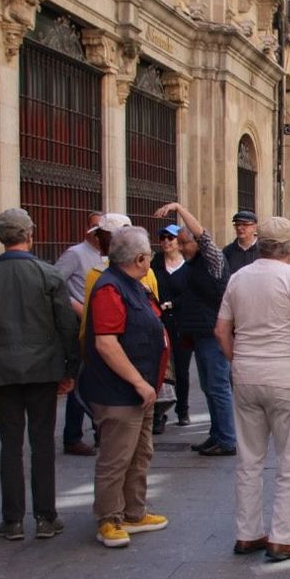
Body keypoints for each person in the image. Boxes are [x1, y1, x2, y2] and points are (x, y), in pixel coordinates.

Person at [0, 208, 80, 541]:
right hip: (43, 369)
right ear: (30, 234)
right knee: (42, 443)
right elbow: (67, 326)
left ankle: (12, 520)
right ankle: (45, 516)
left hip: (3, 370)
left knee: (10, 444)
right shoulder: (48, 275)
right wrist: (71, 368)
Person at [214, 216, 290, 562]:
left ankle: (247, 534)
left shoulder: (238, 277)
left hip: (246, 375)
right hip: (285, 374)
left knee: (249, 459)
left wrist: (239, 360)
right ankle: (281, 536)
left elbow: (220, 331)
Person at [78, 226, 170, 549]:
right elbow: (106, 344)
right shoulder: (110, 289)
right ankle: (108, 518)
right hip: (119, 392)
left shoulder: (133, 285)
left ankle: (134, 511)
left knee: (140, 452)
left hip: (140, 390)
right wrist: (137, 381)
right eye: (150, 256)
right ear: (140, 258)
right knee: (116, 457)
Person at [153, 202, 235, 457]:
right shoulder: (192, 265)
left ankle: (228, 438)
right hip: (200, 333)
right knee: (209, 386)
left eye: (184, 242)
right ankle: (217, 434)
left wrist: (179, 208)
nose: (179, 246)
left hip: (214, 334)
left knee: (218, 385)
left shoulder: (212, 260)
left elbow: (203, 236)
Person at [55, 212, 105, 456]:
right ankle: (72, 437)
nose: (98, 232)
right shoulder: (75, 254)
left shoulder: (108, 255)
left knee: (100, 379)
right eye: (95, 227)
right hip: (80, 325)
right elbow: (54, 283)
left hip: (103, 325)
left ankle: (101, 431)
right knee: (80, 380)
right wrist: (76, 306)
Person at [150, 224, 192, 433]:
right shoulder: (155, 263)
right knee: (161, 366)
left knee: (182, 368)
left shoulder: (188, 266)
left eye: (170, 238)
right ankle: (159, 413)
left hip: (182, 323)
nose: (166, 241)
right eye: (162, 237)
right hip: (159, 322)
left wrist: (172, 304)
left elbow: (192, 292)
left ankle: (182, 410)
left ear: (179, 242)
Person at [223, 209, 259, 276]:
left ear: (255, 227)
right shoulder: (227, 251)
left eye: (245, 225)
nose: (239, 228)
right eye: (237, 225)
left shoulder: (264, 250)